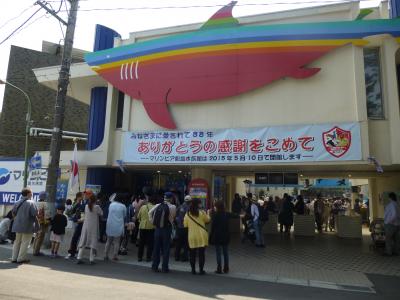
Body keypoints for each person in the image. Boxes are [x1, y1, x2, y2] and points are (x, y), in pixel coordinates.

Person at [148, 191, 176, 273]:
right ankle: (164, 267)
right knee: (166, 249)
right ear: (171, 198)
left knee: (156, 248)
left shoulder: (158, 205)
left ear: (164, 198)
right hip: (167, 229)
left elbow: (149, 212)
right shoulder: (173, 207)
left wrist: (153, 222)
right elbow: (172, 218)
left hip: (157, 229)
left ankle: (154, 266)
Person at [11, 188, 38, 264]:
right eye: (31, 193)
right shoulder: (31, 203)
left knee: (17, 242)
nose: (32, 194)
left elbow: (13, 213)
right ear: (28, 194)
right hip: (27, 226)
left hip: (17, 225)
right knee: (25, 242)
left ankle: (14, 258)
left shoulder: (17, 202)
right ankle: (20, 258)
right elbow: (35, 214)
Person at [184, 198, 210, 275]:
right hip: (202, 236)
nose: (201, 204)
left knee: (192, 254)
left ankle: (193, 270)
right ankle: (201, 270)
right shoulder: (202, 213)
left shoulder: (187, 214)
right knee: (201, 254)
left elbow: (185, 225)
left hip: (192, 236)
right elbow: (208, 220)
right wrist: (208, 213)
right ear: (198, 204)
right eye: (200, 203)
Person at [77, 194, 103, 264]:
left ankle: (79, 257)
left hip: (86, 226)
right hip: (94, 227)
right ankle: (91, 259)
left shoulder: (86, 206)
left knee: (83, 241)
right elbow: (101, 213)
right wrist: (99, 204)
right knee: (93, 243)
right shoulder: (97, 207)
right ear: (95, 200)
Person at [209, 200, 230, 274]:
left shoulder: (215, 215)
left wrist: (211, 235)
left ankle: (219, 268)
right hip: (225, 235)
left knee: (218, 253)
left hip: (217, 236)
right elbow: (235, 215)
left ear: (217, 207)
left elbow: (213, 227)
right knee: (225, 253)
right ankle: (226, 268)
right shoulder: (226, 214)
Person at [104, 193, 127, 261]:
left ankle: (105, 255)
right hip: (118, 225)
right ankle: (115, 256)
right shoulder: (123, 206)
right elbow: (124, 216)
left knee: (108, 241)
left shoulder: (111, 205)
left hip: (110, 224)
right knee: (117, 242)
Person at [66, 191, 87, 259]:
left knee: (77, 237)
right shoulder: (76, 203)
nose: (84, 196)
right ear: (79, 197)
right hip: (77, 222)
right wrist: (74, 218)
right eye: (82, 195)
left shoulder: (83, 203)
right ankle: (72, 252)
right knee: (75, 237)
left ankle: (74, 251)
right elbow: (69, 212)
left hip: (81, 222)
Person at [137, 195, 156, 262]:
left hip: (142, 226)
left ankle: (139, 257)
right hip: (151, 227)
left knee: (141, 243)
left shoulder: (143, 207)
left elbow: (138, 216)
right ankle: (148, 257)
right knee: (150, 243)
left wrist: (141, 221)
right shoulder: (155, 207)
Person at [32, 191, 51, 256]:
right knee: (40, 237)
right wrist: (48, 221)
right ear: (45, 197)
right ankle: (36, 251)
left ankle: (34, 249)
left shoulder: (35, 203)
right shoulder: (45, 204)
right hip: (42, 222)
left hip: (36, 222)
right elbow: (47, 214)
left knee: (36, 236)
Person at [175, 195, 191, 262]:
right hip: (186, 228)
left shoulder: (180, 206)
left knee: (178, 243)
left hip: (179, 228)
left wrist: (177, 223)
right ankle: (184, 257)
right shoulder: (189, 208)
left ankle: (177, 257)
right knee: (185, 244)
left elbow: (175, 215)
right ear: (190, 201)